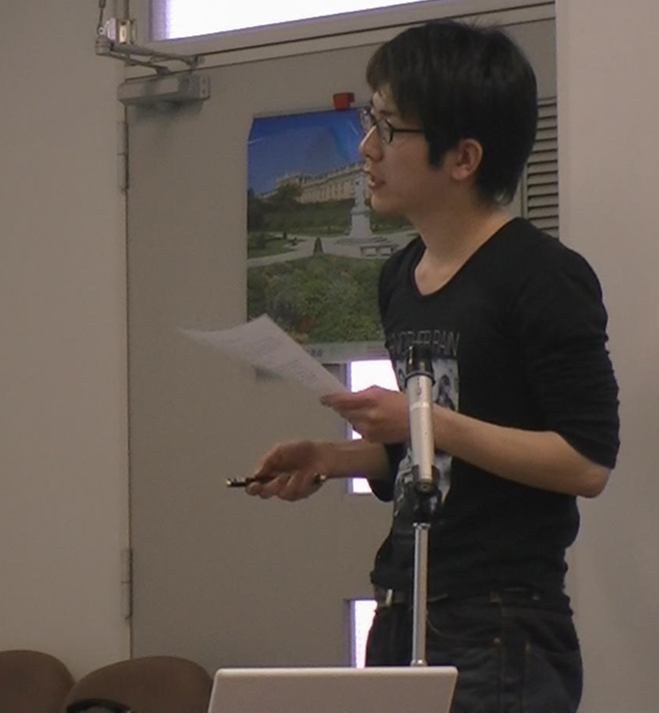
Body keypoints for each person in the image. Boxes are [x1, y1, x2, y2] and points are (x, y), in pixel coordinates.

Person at [245, 20, 619, 713]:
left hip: (500, 624)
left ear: (463, 157)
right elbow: (435, 454)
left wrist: (424, 418)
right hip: (402, 603)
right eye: (369, 121)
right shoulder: (400, 277)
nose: (367, 148)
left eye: (388, 128)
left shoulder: (541, 275)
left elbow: (585, 461)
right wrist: (332, 458)